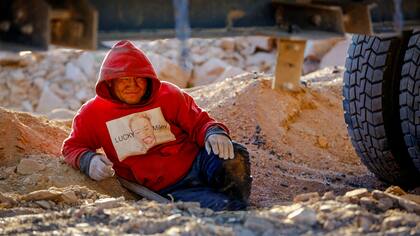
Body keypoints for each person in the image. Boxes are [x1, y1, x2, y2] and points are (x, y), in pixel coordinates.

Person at [61, 40, 252, 211]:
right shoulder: (93, 113)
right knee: (224, 208)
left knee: (233, 155)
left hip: (198, 162)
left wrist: (213, 133)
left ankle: (239, 202)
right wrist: (88, 160)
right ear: (110, 83)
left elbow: (200, 122)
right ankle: (231, 205)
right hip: (169, 188)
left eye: (138, 79)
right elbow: (72, 147)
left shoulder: (169, 95)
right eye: (124, 80)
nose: (132, 85)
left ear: (148, 78)